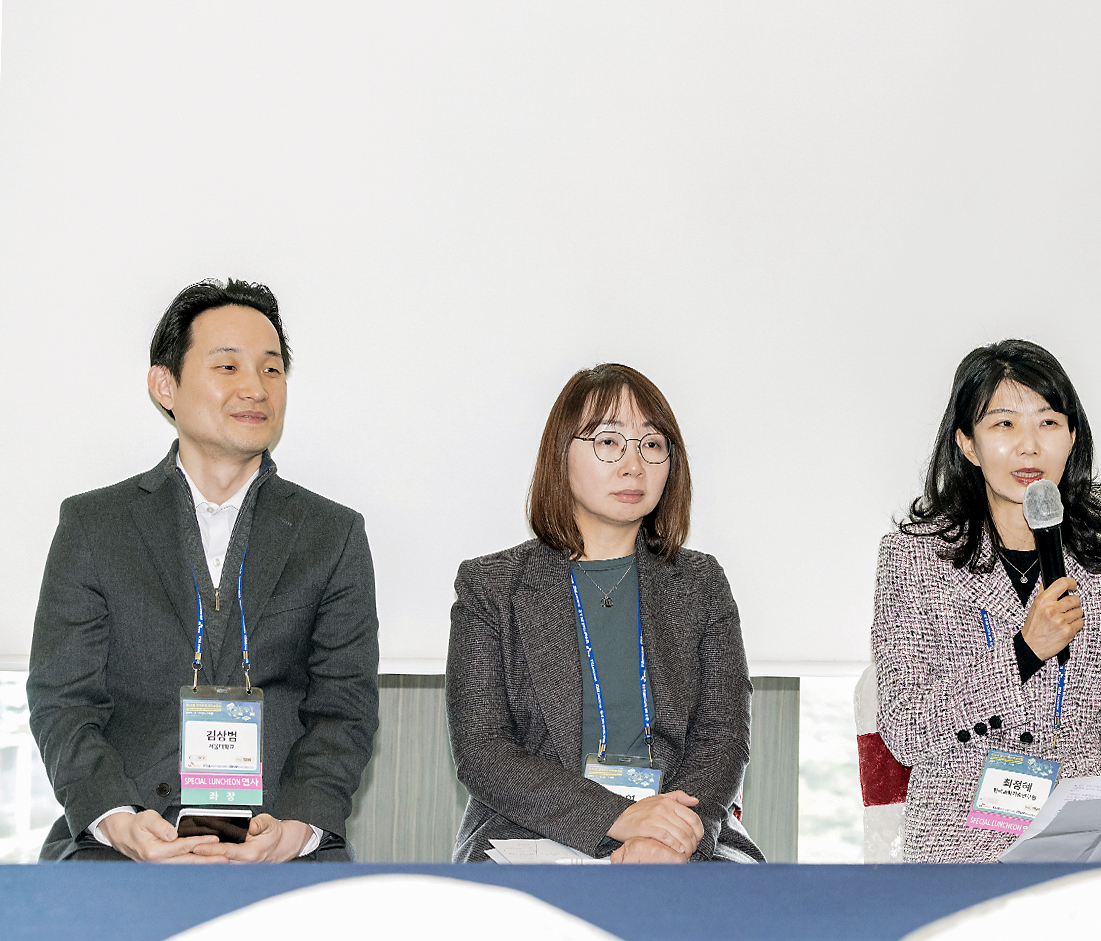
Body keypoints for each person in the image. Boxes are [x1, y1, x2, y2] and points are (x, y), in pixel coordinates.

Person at [27, 279, 379, 862]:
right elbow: (63, 702)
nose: (254, 389)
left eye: (271, 370)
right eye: (227, 366)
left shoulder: (331, 534)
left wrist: (296, 828)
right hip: (124, 841)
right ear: (165, 385)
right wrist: (117, 820)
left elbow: (344, 709)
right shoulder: (95, 525)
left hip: (278, 839)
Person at [872, 339, 1101, 863]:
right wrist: (1022, 654)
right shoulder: (914, 559)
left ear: (1072, 437)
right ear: (968, 444)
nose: (1029, 446)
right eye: (1004, 424)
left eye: (1048, 423)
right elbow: (905, 727)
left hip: (1086, 842)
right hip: (965, 843)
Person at [447, 364, 762, 863]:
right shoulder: (493, 586)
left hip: (681, 829)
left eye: (652, 444)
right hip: (532, 833)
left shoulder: (700, 583)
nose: (633, 464)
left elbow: (722, 739)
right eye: (609, 442)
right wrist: (617, 818)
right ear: (561, 454)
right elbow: (484, 752)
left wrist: (671, 831)